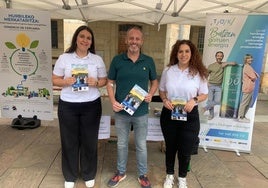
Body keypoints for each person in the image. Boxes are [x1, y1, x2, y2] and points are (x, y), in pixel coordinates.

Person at [52, 25, 107, 188]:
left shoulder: (97, 60)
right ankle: (70, 175)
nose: (85, 40)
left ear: (91, 42)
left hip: (91, 105)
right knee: (69, 141)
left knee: (89, 141)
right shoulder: (64, 58)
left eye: (88, 38)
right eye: (82, 36)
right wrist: (65, 81)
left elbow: (104, 80)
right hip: (68, 105)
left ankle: (89, 173)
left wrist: (96, 82)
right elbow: (54, 79)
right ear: (76, 38)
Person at [106, 26, 158, 188]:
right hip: (122, 111)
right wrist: (113, 101)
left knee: (141, 145)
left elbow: (154, 82)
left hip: (141, 112)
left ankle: (142, 175)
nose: (134, 41)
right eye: (131, 38)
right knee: (122, 144)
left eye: (137, 39)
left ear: (141, 42)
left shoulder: (148, 61)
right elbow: (109, 82)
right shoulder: (117, 60)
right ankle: (120, 172)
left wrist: (151, 93)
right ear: (126, 40)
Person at [159, 40, 208, 188]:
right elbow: (161, 90)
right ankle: (169, 175)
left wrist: (194, 100)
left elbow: (204, 94)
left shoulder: (199, 72)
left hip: (190, 116)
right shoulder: (168, 71)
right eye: (180, 51)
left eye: (187, 51)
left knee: (185, 149)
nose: (183, 54)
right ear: (176, 53)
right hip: (169, 115)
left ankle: (182, 178)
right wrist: (165, 100)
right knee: (171, 147)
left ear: (192, 53)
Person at [203, 51, 236, 120]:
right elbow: (206, 75)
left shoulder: (224, 65)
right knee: (210, 101)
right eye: (218, 56)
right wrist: (207, 83)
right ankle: (211, 115)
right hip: (211, 86)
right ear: (216, 56)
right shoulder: (211, 66)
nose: (219, 57)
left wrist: (226, 63)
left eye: (221, 56)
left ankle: (204, 108)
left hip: (219, 86)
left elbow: (234, 63)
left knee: (217, 101)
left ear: (222, 57)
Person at [238, 54, 259, 123]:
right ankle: (240, 117)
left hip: (249, 88)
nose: (251, 59)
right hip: (247, 88)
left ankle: (243, 116)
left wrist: (255, 75)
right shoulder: (247, 67)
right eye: (249, 58)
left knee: (248, 103)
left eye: (251, 58)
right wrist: (255, 75)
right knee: (244, 103)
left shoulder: (248, 67)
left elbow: (255, 76)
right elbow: (254, 77)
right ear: (246, 59)